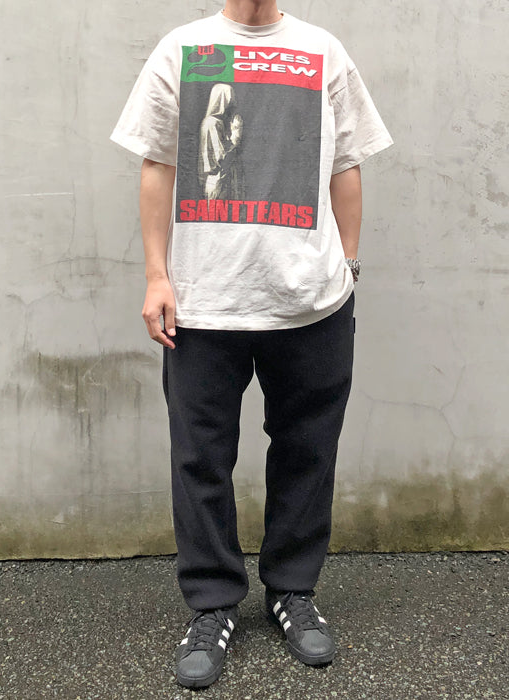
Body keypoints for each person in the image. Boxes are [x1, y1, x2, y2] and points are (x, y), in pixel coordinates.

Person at [110, 0, 392, 689]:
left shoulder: (323, 51)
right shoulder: (183, 49)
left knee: (308, 450)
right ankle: (211, 605)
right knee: (200, 458)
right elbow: (157, 163)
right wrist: (156, 277)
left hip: (310, 301)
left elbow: (346, 163)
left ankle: (293, 591)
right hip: (204, 301)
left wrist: (348, 268)